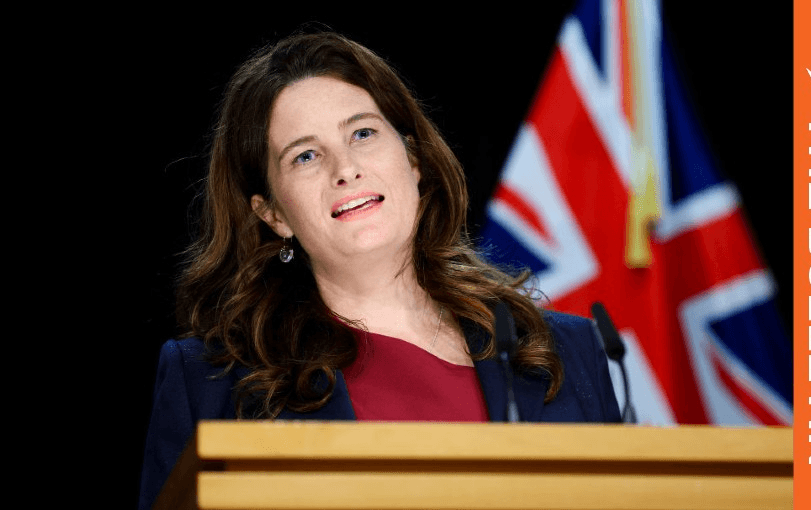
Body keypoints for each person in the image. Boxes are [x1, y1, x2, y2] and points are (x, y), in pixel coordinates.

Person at [139, 31, 621, 510]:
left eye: (362, 133)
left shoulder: (567, 352)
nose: (344, 168)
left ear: (413, 159)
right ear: (273, 215)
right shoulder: (209, 380)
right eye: (305, 155)